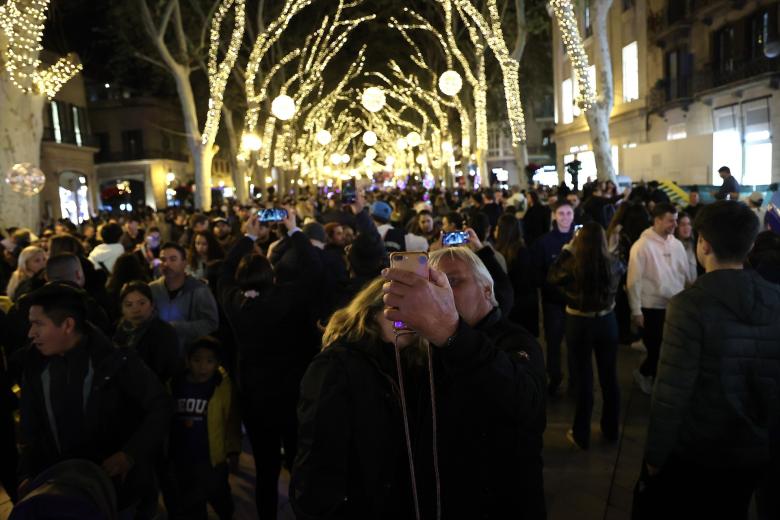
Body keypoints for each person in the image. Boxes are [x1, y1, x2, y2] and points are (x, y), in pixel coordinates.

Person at [291, 245, 546, 519]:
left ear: (487, 290)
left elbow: (524, 405)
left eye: (455, 282)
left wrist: (451, 332)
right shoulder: (407, 354)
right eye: (437, 285)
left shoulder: (513, 342)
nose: (444, 292)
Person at [633, 201, 780, 519]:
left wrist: (655, 455)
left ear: (703, 244)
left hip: (702, 447)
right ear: (750, 245)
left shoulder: (688, 306)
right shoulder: (774, 298)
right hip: (756, 445)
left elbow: (672, 391)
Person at [17, 283, 172, 513]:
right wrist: (26, 474)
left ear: (68, 325)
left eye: (38, 324)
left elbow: (161, 406)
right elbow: (30, 427)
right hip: (58, 491)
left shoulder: (116, 362)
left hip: (118, 495)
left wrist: (129, 455)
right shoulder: (34, 365)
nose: (31, 333)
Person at [219, 213, 321, 519]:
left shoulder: (235, 303)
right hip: (291, 392)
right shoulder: (287, 299)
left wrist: (248, 237)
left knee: (266, 468)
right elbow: (314, 270)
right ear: (273, 277)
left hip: (255, 396)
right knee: (297, 460)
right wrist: (294, 231)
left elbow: (223, 273)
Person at [548, 223, 624, 450]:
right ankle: (611, 429)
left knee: (583, 379)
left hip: (578, 322)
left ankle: (581, 433)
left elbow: (552, 277)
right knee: (609, 377)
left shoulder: (571, 263)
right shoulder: (613, 263)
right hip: (607, 321)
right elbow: (621, 276)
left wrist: (567, 249)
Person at [162, 336, 239, 520]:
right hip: (183, 460)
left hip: (212, 460)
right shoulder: (175, 384)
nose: (203, 367)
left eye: (209, 361)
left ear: (217, 363)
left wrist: (233, 450)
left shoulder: (221, 385)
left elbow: (231, 419)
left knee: (221, 500)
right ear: (188, 360)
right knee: (192, 506)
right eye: (197, 360)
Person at [627, 203, 693, 395]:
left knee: (670, 350)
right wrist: (636, 310)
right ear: (657, 221)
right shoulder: (641, 246)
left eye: (676, 219)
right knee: (656, 350)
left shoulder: (677, 244)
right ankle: (644, 374)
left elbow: (685, 274)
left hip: (675, 305)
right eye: (670, 220)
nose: (674, 224)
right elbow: (634, 280)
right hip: (651, 307)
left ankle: (660, 382)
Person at [531, 201, 576, 395]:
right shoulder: (544, 242)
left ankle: (576, 379)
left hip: (575, 301)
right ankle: (554, 376)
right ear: (554, 216)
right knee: (554, 341)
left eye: (568, 213)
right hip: (553, 302)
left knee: (575, 343)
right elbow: (537, 272)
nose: (565, 217)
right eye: (561, 213)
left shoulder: (580, 241)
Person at [150, 242, 219, 354]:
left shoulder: (199, 290)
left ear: (184, 263)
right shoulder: (152, 289)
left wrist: (177, 327)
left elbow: (211, 323)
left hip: (189, 354)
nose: (166, 264)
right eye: (163, 259)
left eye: (173, 259)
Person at [113, 281, 180, 384]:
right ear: (122, 309)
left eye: (142, 303)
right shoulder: (118, 330)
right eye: (129, 305)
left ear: (152, 305)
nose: (136, 309)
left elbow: (164, 371)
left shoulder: (164, 332)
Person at [495, 213, 538, 336]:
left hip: (518, 307)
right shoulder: (516, 250)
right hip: (516, 305)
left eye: (498, 227)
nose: (495, 229)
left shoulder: (520, 252)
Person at [674, 212, 699, 282]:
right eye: (683, 225)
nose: (687, 227)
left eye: (689, 224)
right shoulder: (673, 246)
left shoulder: (694, 244)